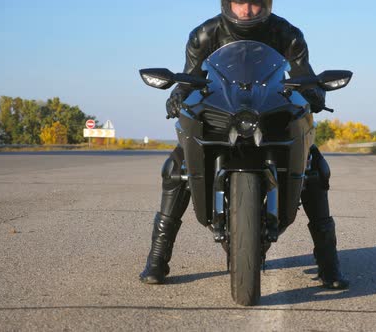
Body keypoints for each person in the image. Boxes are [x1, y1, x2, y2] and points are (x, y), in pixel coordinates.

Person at [140, 0, 349, 290]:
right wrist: (178, 93)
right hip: (221, 112)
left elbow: (302, 73)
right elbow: (191, 75)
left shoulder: (288, 34)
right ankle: (157, 260)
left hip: (271, 111)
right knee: (176, 169)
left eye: (255, 4)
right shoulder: (204, 34)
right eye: (240, 3)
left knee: (315, 169)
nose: (248, 11)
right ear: (228, 4)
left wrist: (314, 91)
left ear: (267, 5)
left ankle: (329, 266)